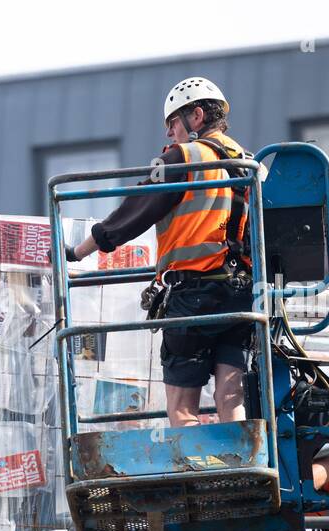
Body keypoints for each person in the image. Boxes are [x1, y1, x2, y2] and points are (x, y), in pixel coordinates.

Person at [69, 77, 255, 428]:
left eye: (172, 122)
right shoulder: (250, 164)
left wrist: (79, 251)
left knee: (183, 407)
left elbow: (133, 212)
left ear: (196, 116)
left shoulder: (184, 157)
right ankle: (241, 475)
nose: (170, 133)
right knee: (231, 398)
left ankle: (199, 478)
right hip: (241, 295)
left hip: (193, 294)